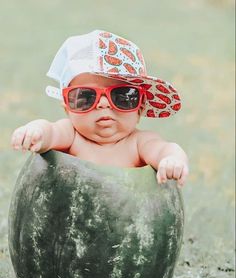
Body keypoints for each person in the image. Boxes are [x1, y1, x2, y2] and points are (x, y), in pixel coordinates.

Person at [11, 30, 189, 186]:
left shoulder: (139, 143)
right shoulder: (72, 136)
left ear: (140, 108)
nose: (103, 104)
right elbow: (50, 131)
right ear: (67, 107)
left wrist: (172, 160)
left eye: (122, 96)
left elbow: (163, 149)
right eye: (86, 97)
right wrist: (35, 132)